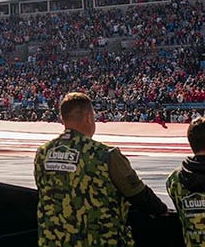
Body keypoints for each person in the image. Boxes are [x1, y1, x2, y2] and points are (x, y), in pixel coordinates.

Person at [33, 92, 167, 247]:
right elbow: (137, 193)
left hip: (54, 240)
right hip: (99, 240)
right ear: (89, 118)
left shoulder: (43, 153)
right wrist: (161, 209)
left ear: (63, 118)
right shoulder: (105, 154)